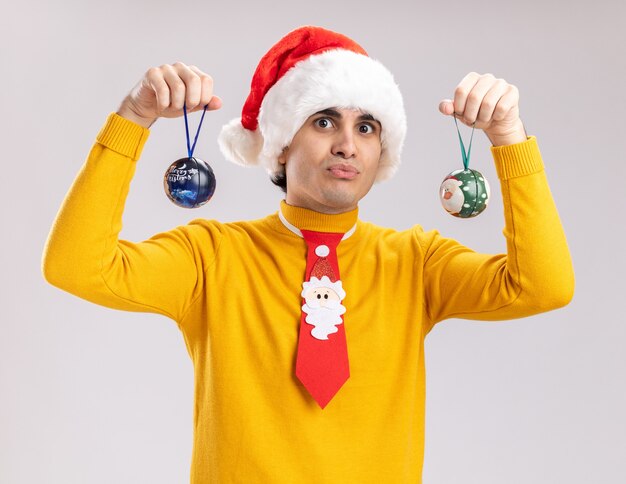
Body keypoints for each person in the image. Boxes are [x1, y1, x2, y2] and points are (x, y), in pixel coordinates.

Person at [42, 25, 574, 483]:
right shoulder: (211, 256)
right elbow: (76, 266)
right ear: (280, 143)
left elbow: (543, 286)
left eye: (366, 126)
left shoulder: (416, 261)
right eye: (324, 121)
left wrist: (508, 138)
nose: (348, 143)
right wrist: (133, 118)